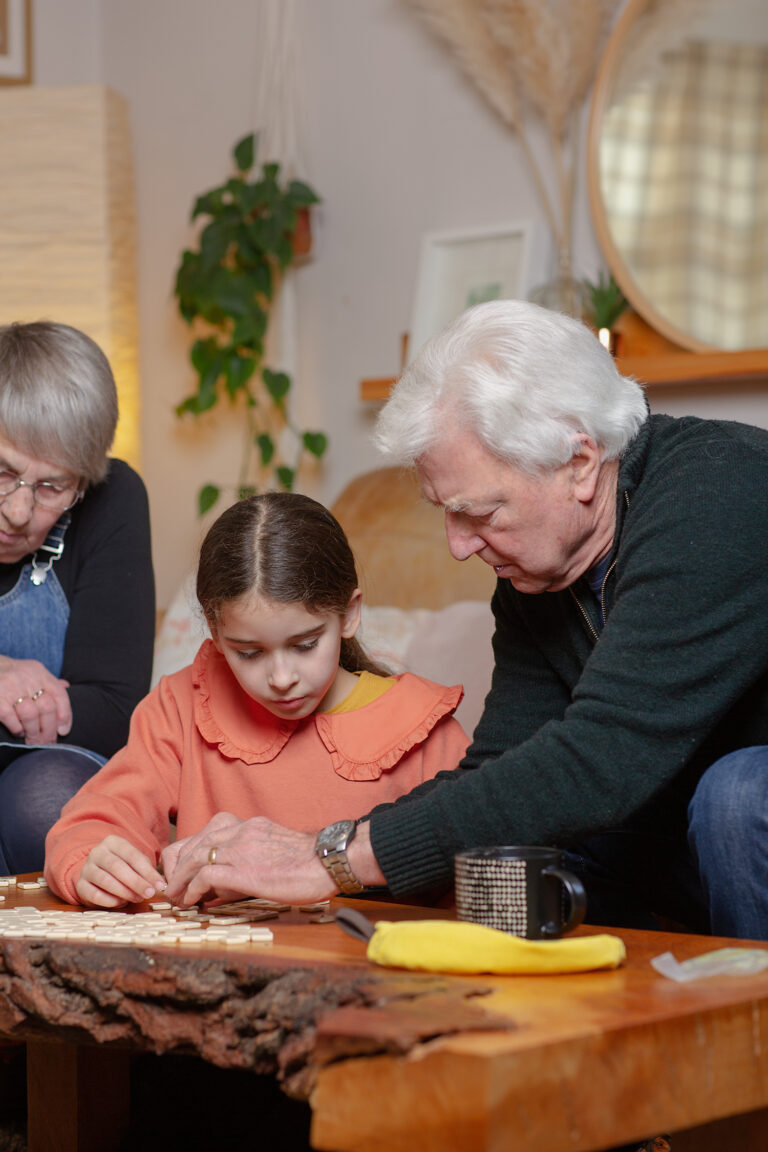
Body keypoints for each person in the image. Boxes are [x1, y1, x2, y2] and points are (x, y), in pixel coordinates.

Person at [158, 299, 768, 945]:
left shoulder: (722, 495)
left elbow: (599, 759)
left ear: (580, 464)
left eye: (479, 513)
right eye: (445, 513)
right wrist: (324, 845)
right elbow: (503, 768)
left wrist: (328, 860)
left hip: (741, 812)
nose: (458, 546)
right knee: (518, 843)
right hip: (686, 833)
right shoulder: (537, 574)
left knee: (738, 795)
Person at [45, 491, 469, 907]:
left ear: (349, 613)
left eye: (305, 645)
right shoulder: (181, 706)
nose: (281, 679)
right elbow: (101, 816)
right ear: (214, 630)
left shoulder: (425, 729)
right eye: (248, 653)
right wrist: (91, 861)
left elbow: (474, 874)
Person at [0, 320, 155, 874]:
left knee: (47, 803)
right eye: (3, 472)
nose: (19, 513)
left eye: (51, 487)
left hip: (55, 764)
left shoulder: (115, 499)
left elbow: (113, 709)